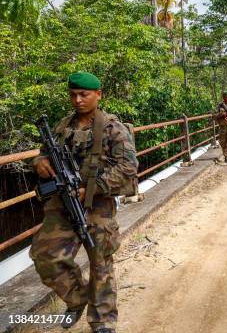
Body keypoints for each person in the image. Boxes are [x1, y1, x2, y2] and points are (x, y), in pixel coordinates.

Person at [30, 72, 138, 333]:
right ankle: (78, 299)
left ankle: (103, 321)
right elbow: (45, 153)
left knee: (100, 262)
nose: (77, 100)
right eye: (72, 95)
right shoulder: (62, 125)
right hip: (62, 204)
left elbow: (128, 167)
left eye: (83, 95)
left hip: (97, 206)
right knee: (45, 256)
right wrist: (39, 162)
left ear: (98, 95)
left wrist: (92, 188)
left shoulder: (112, 128)